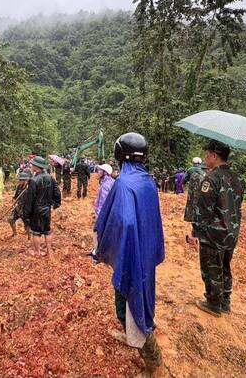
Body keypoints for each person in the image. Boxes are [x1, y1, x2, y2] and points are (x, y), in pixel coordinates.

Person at [94, 133, 164, 377]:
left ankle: (153, 362)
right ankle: (131, 334)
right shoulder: (147, 180)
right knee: (139, 296)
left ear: (119, 154)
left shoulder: (123, 183)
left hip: (131, 254)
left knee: (129, 306)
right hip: (143, 252)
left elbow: (121, 222)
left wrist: (105, 248)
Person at [190, 140, 245, 317]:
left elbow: (203, 210)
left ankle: (213, 303)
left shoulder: (211, 179)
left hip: (213, 234)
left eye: (206, 154)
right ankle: (225, 301)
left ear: (214, 156)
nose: (205, 158)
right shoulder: (238, 178)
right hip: (232, 232)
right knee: (225, 266)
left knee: (211, 267)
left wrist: (195, 232)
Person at [21, 157, 61, 257]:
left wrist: (26, 213)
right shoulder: (50, 177)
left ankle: (37, 253)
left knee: (36, 232)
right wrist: (56, 204)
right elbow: (57, 192)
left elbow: (29, 199)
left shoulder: (34, 180)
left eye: (32, 164)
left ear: (36, 166)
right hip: (47, 208)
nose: (31, 166)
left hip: (36, 210)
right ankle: (49, 251)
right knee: (47, 230)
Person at [90, 164, 115, 258]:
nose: (98, 172)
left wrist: (99, 215)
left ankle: (97, 253)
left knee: (98, 232)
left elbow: (103, 202)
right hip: (108, 213)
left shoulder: (105, 185)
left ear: (105, 173)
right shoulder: (111, 182)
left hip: (102, 213)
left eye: (100, 170)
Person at [7, 170, 32, 238]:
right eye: (19, 179)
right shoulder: (19, 187)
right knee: (10, 219)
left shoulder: (29, 188)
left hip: (26, 209)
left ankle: (29, 238)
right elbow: (15, 196)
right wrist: (14, 201)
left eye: (20, 180)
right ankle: (14, 233)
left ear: (25, 180)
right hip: (18, 207)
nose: (19, 181)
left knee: (27, 226)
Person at [182, 158, 205, 225]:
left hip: (193, 189)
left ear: (193, 162)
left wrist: (183, 184)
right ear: (200, 163)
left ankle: (191, 217)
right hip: (202, 189)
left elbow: (184, 180)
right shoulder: (203, 170)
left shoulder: (190, 170)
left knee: (191, 202)